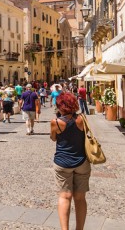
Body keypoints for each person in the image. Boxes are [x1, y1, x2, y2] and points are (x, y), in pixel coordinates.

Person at [50, 92, 90, 230]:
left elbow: (53, 138)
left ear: (60, 105)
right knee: (80, 198)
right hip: (81, 162)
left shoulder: (56, 122)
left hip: (62, 163)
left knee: (65, 196)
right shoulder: (82, 119)